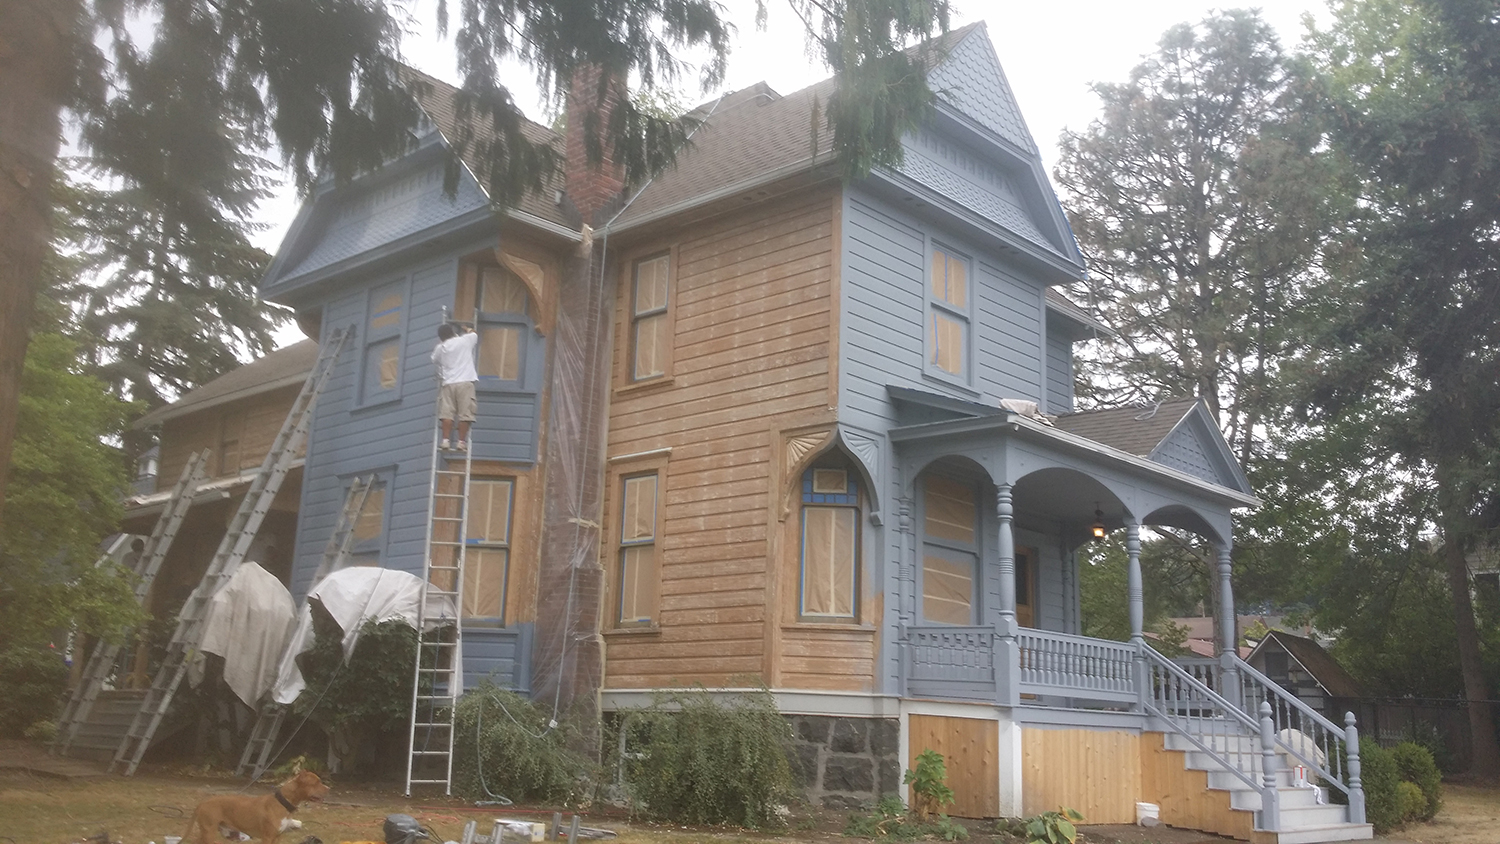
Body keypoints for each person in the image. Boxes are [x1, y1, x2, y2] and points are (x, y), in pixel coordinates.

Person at [431, 322, 479, 451]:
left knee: (447, 413)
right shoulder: (464, 341)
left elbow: (434, 359)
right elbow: (474, 334)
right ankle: (461, 442)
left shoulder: (440, 348)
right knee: (465, 414)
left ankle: (445, 441)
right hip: (465, 382)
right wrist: (467, 328)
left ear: (441, 337)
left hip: (448, 384)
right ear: (453, 332)